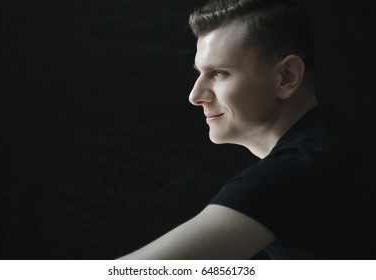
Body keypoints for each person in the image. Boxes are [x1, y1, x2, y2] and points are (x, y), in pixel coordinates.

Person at [117, 0, 376, 260]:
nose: (195, 96)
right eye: (199, 73)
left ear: (286, 77)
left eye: (219, 73)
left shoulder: (294, 173)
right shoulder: (337, 146)